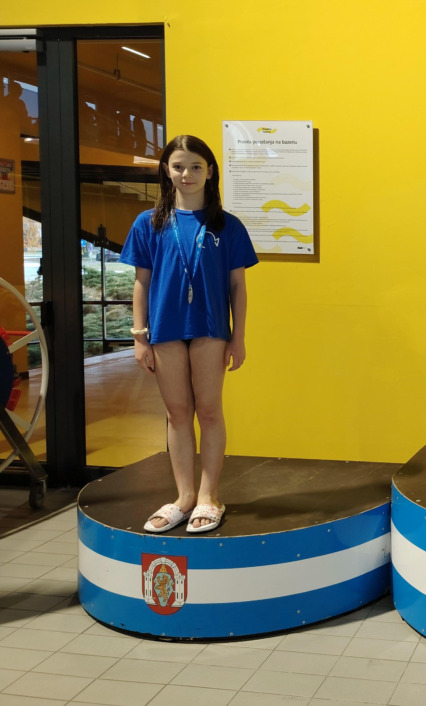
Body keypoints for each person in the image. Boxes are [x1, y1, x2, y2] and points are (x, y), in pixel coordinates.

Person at [120, 135, 258, 533]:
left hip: (211, 330)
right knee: (177, 414)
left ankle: (209, 497)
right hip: (165, 329)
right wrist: (139, 336)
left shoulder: (227, 225)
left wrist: (238, 337)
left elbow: (238, 287)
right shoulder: (148, 223)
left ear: (210, 171)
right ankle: (184, 497)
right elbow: (142, 283)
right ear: (166, 170)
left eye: (196, 166)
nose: (187, 174)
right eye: (178, 166)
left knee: (209, 411)